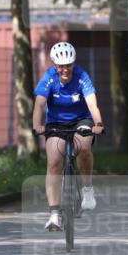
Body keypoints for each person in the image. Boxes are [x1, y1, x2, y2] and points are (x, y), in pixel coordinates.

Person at [32, 42, 105, 231]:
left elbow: (92, 104)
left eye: (69, 65)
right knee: (54, 162)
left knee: (84, 147)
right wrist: (37, 125)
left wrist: (98, 124)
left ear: (73, 63)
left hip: (82, 120)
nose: (65, 69)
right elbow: (40, 104)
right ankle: (54, 214)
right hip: (56, 122)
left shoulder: (82, 76)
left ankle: (87, 189)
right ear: (55, 66)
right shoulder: (49, 78)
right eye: (61, 66)